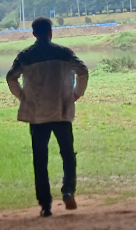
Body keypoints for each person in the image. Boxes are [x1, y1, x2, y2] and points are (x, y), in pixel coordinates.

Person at [6, 16, 89, 217]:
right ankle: (68, 190)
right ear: (51, 32)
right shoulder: (64, 53)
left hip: (37, 114)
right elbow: (83, 71)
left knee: (40, 158)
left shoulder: (25, 56)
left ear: (34, 34)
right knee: (68, 154)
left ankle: (45, 205)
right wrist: (76, 94)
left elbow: (11, 77)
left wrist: (23, 97)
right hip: (61, 110)